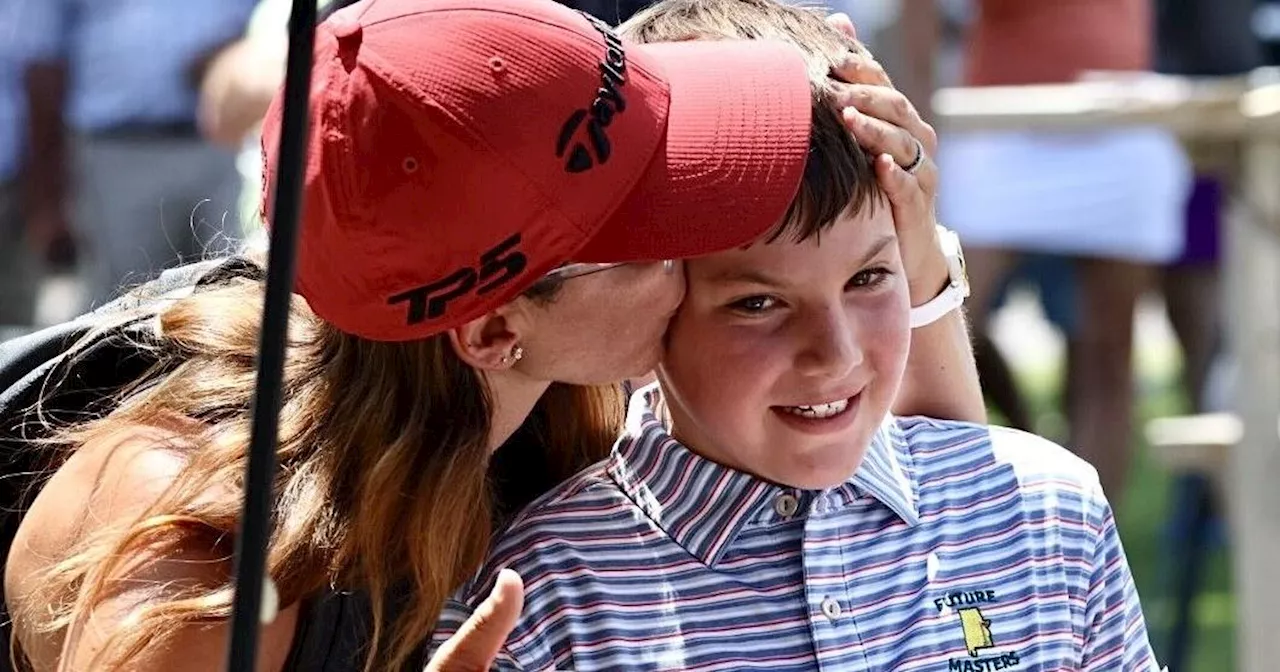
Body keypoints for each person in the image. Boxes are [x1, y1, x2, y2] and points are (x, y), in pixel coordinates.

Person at [2, 0, 980, 670]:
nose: (709, 253)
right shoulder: (201, 568)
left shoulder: (549, 400)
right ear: (492, 332)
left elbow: (946, 488)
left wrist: (909, 234)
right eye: (657, 231)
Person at [432, 2, 1159, 670]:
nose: (835, 354)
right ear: (650, 302)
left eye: (869, 279)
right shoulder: (544, 597)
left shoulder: (1048, 511)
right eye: (757, 304)